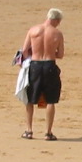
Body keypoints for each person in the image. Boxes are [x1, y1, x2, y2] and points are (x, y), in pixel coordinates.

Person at [20, 8, 65, 141]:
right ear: (56, 20)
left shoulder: (33, 30)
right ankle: (48, 132)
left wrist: (35, 52)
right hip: (49, 65)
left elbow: (24, 51)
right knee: (51, 100)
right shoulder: (57, 33)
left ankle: (29, 130)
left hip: (35, 65)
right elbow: (60, 54)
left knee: (30, 98)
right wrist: (51, 52)